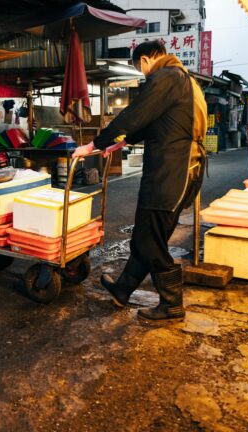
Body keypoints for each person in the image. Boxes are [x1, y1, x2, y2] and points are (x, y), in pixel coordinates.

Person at [72, 41, 207, 321]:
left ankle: (171, 304)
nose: (143, 73)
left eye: (139, 68)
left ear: (145, 60)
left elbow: (135, 116)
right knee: (148, 238)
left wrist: (94, 144)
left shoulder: (166, 76)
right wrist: (118, 143)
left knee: (150, 242)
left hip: (170, 172)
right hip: (180, 169)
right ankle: (122, 290)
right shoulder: (182, 79)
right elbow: (155, 123)